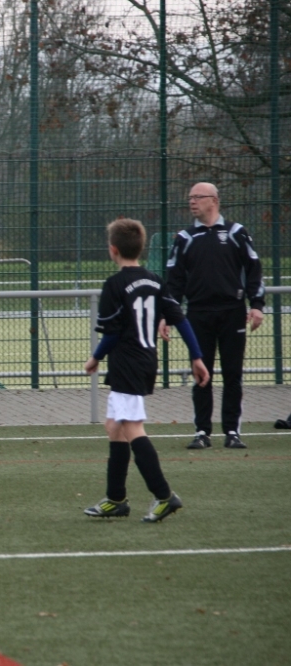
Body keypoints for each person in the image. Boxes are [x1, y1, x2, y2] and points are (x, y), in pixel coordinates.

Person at [84, 219, 210, 523]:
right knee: (114, 427)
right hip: (145, 360)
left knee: (132, 428)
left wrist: (95, 357)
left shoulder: (114, 285)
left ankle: (164, 496)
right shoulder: (155, 281)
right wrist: (196, 357)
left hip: (127, 363)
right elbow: (180, 319)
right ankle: (116, 498)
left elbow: (112, 333)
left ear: (113, 250)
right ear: (140, 248)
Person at [159, 182, 265, 450]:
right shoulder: (184, 238)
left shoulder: (236, 232)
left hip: (233, 313)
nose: (192, 202)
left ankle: (232, 431)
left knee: (233, 374)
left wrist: (257, 305)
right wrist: (166, 315)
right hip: (198, 314)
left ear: (214, 200)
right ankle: (202, 431)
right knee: (201, 374)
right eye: (190, 197)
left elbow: (254, 269)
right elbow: (174, 281)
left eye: (198, 197)